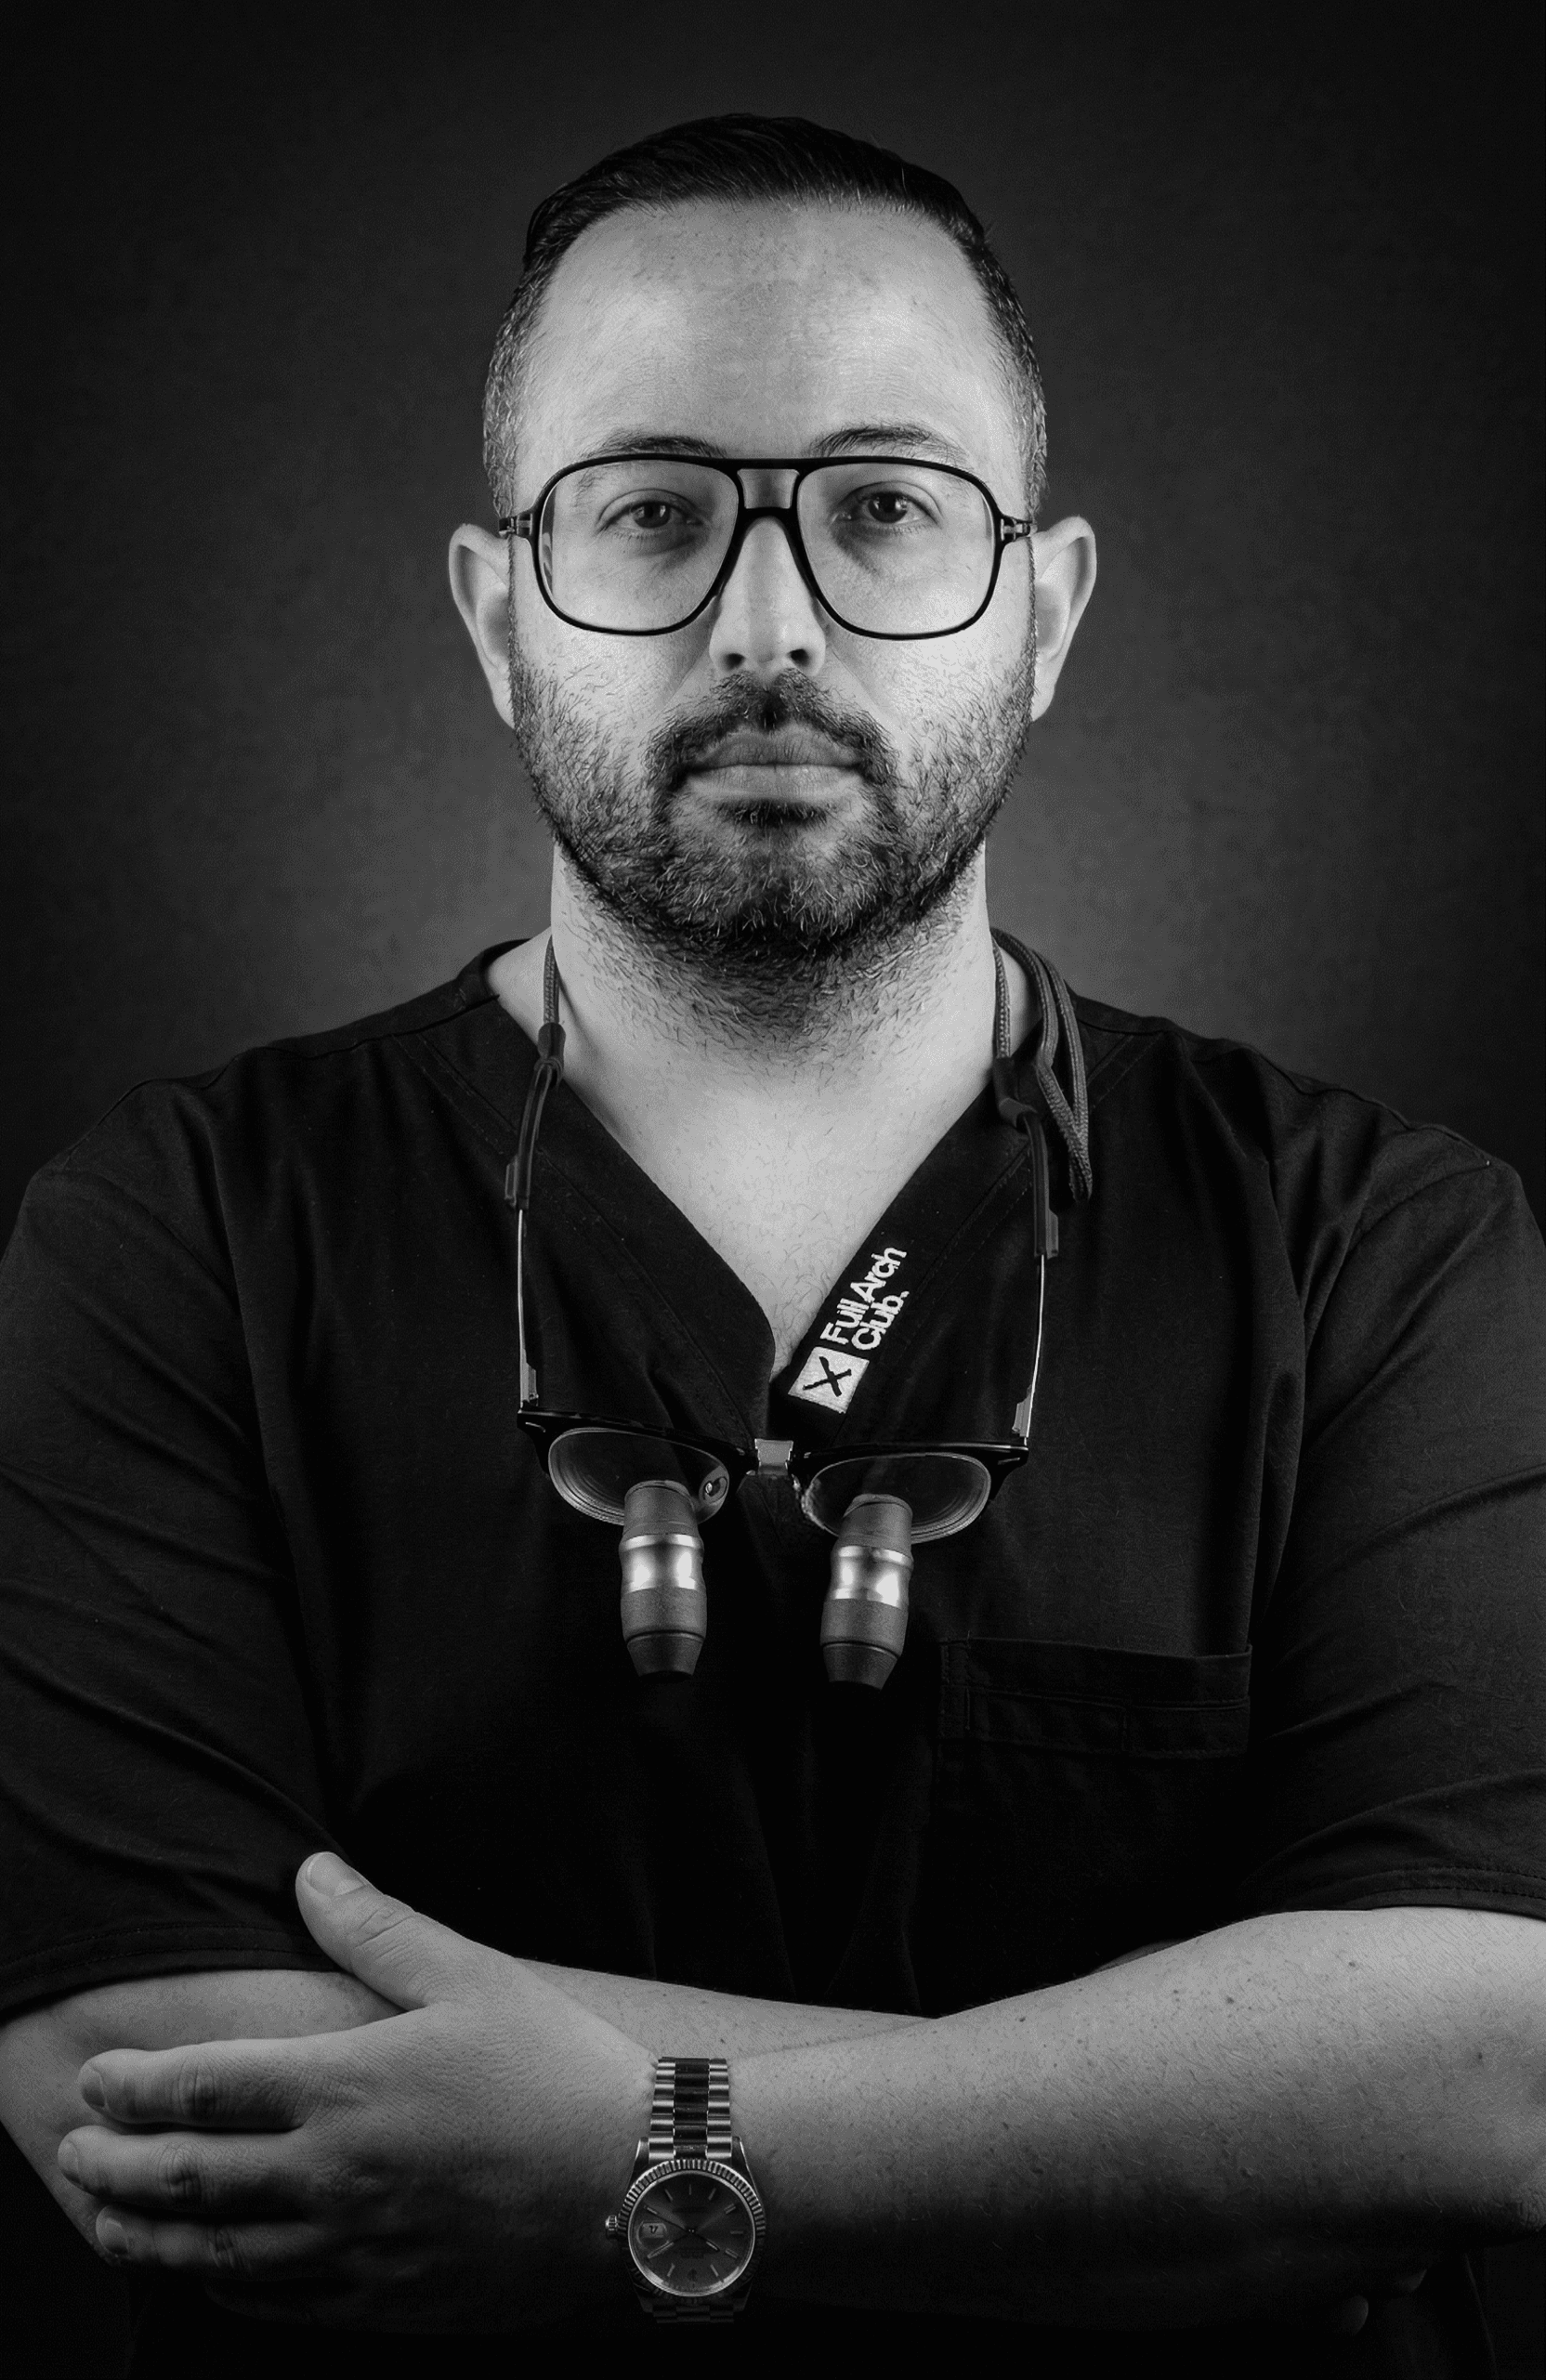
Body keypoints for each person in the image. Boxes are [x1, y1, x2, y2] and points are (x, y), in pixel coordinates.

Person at [0, 114, 1541, 2377]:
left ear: (1046, 605)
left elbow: (1490, 2070)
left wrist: (634, 2145)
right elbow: (156, 2099)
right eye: (647, 511)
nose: (769, 623)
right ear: (497, 608)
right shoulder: (171, 1241)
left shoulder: (1385, 1254)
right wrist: (1188, 2119)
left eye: (884, 508)